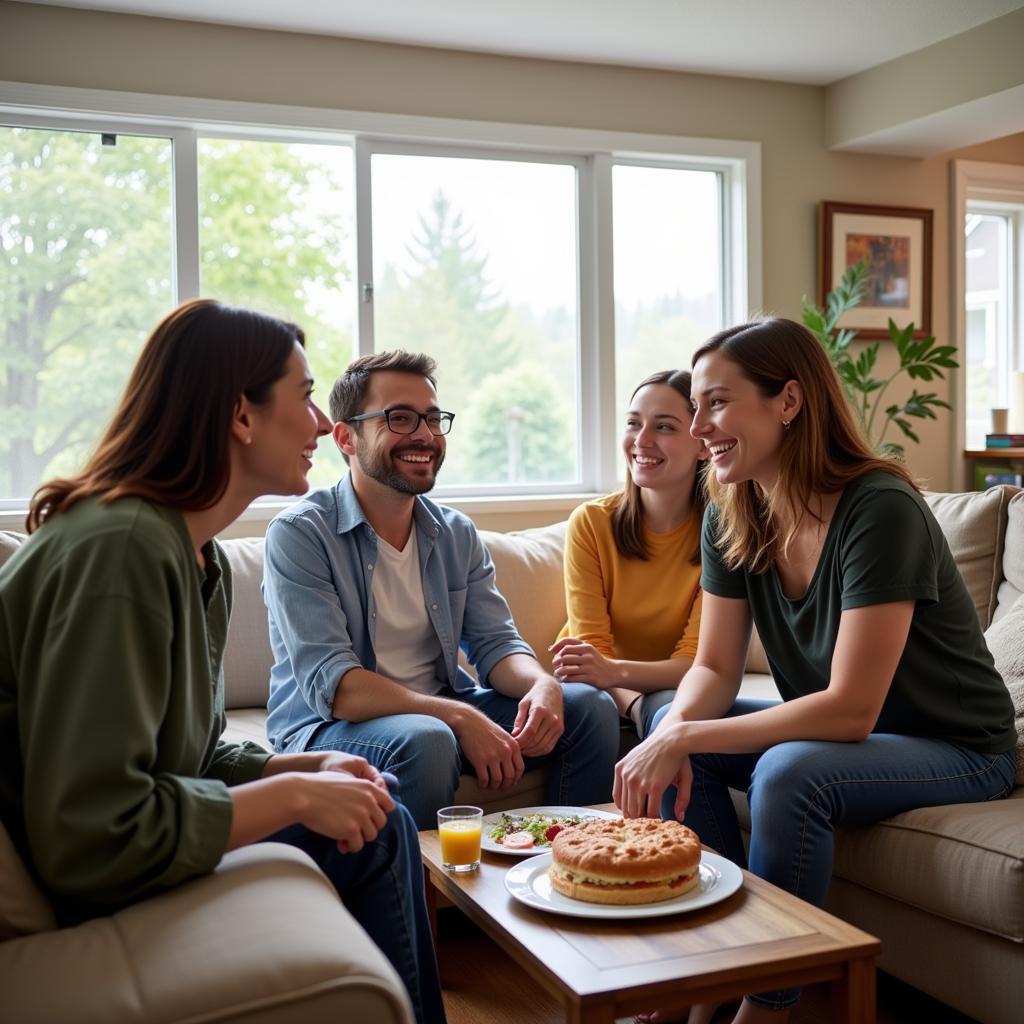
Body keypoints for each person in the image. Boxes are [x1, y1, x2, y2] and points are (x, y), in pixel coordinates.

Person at [0, 300, 447, 1024]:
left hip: (116, 845)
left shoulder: (187, 552)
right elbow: (92, 835)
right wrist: (296, 799)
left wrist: (293, 769)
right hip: (85, 873)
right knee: (372, 824)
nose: (314, 426)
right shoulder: (122, 551)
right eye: (303, 398)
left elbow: (188, 753)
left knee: (378, 814)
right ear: (242, 416)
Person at [614, 318, 1016, 1024]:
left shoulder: (879, 508)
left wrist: (683, 739)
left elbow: (850, 710)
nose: (700, 425)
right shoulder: (731, 508)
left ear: (789, 402)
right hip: (850, 742)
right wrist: (671, 734)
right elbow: (712, 667)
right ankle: (708, 972)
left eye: (716, 402)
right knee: (665, 718)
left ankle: (767, 1004)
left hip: (958, 747)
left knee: (790, 769)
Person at [263, 350, 620, 829]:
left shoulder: (454, 532)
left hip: (438, 712)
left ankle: (568, 868)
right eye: (401, 418)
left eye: (433, 419)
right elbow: (338, 688)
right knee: (429, 739)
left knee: (589, 709)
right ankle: (422, 901)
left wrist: (542, 684)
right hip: (329, 727)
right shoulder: (301, 533)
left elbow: (496, 645)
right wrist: (460, 719)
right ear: (347, 438)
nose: (426, 436)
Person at [551, 370, 707, 739]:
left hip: (656, 684)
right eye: (633, 423)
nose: (641, 440)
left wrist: (616, 672)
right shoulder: (592, 522)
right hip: (590, 688)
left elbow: (698, 662)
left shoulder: (723, 534)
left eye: (665, 427)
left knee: (672, 708)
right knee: (612, 707)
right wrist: (635, 704)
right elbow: (590, 657)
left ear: (702, 443)